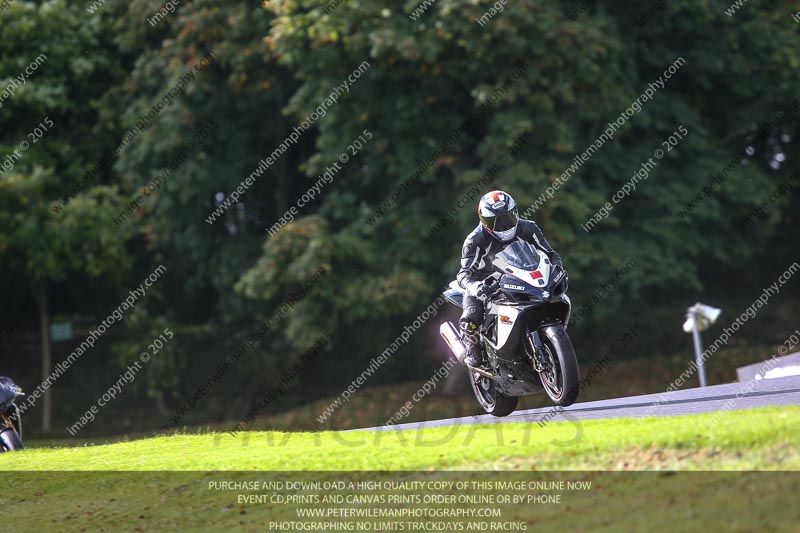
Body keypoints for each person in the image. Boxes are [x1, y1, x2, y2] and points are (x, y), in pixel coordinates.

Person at [456, 190, 564, 367]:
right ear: (484, 221)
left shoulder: (529, 228)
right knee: (472, 317)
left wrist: (557, 268)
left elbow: (550, 254)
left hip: (519, 276)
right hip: (485, 282)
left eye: (507, 218)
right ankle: (471, 345)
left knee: (549, 296)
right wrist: (476, 287)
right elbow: (463, 274)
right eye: (496, 221)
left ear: (515, 212)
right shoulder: (474, 240)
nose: (505, 225)